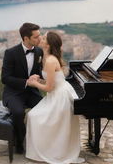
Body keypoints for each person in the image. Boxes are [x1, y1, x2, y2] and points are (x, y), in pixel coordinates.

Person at [26, 31, 84, 164]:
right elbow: (49, 82)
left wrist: (34, 83)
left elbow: (49, 88)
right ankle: (46, 148)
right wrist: (39, 79)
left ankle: (51, 151)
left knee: (34, 117)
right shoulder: (46, 57)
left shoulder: (51, 61)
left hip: (59, 97)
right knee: (33, 115)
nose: (41, 39)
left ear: (48, 45)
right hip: (55, 94)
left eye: (44, 38)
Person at [1, 22, 44, 154]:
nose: (40, 39)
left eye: (40, 35)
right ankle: (19, 142)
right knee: (19, 112)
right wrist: (26, 82)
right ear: (26, 38)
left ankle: (40, 140)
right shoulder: (10, 53)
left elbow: (40, 73)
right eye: (36, 37)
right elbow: (5, 78)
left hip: (32, 92)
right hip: (13, 93)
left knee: (47, 107)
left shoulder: (39, 51)